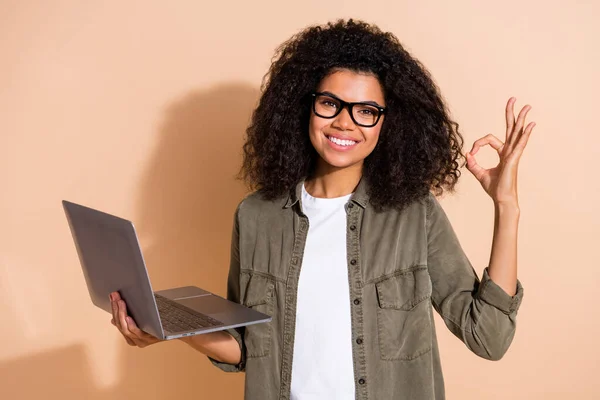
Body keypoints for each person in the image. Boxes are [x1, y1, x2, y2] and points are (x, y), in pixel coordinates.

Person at [109, 19, 534, 400]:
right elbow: (247, 349)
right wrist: (173, 329)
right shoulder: (256, 216)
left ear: (388, 123)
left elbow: (489, 337)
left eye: (367, 111)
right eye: (330, 103)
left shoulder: (414, 214)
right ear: (305, 105)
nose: (345, 123)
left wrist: (506, 206)